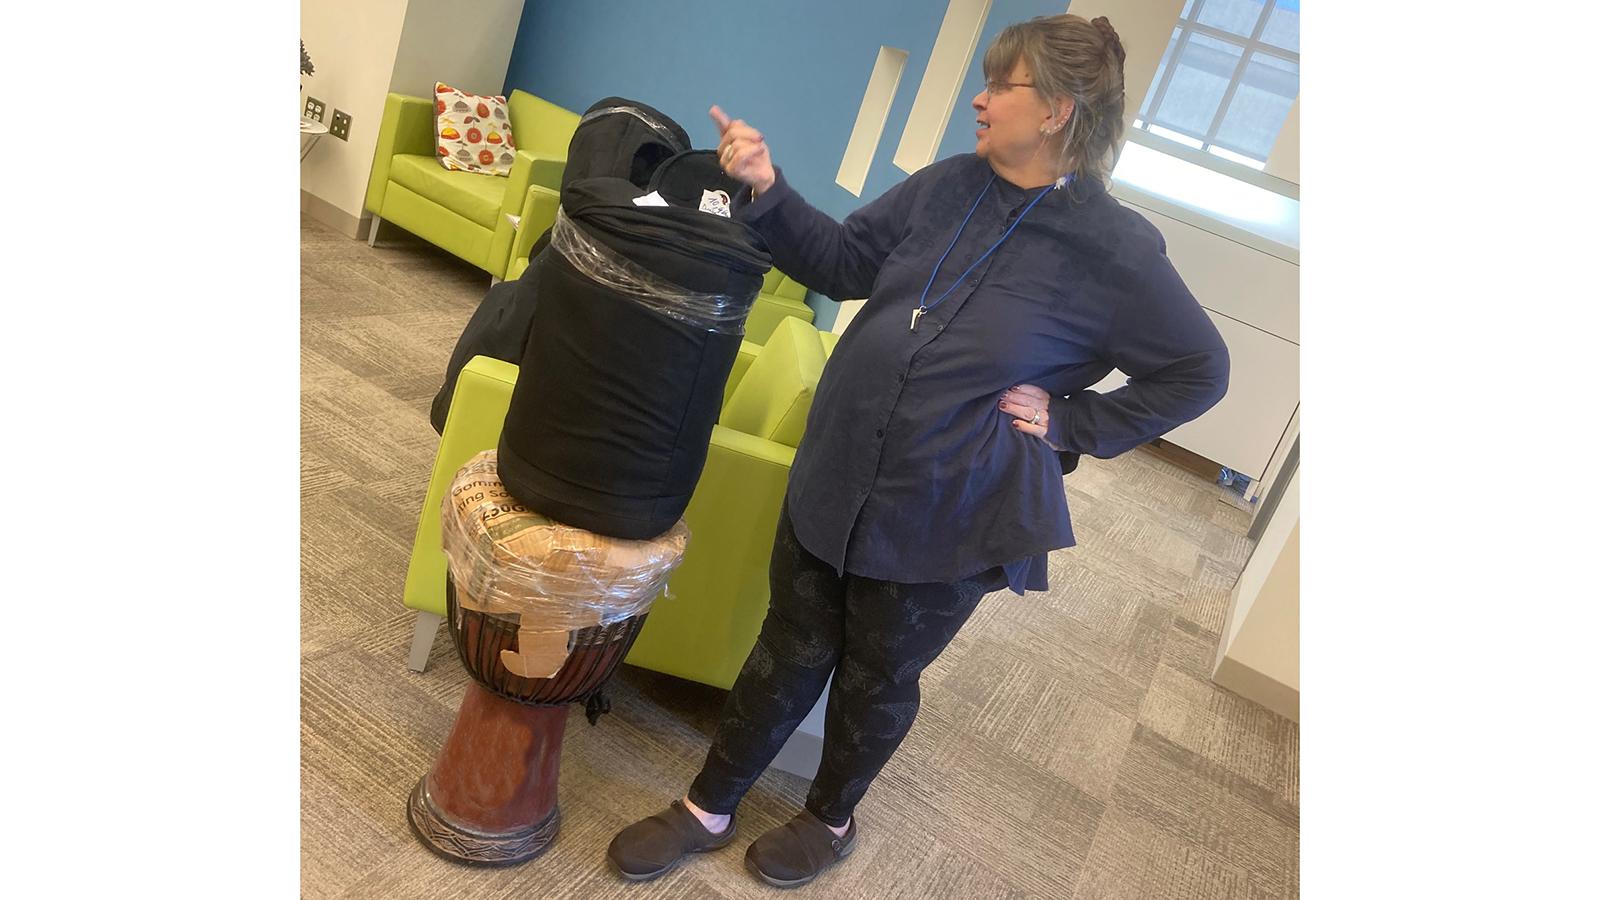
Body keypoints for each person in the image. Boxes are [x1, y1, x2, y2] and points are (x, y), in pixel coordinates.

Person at [607, 13, 1229, 888]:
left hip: (948, 510)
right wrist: (766, 187)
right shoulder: (948, 184)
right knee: (786, 647)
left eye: (999, 85)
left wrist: (1071, 423)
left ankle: (829, 820)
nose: (978, 99)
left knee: (876, 675)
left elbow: (1200, 370)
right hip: (840, 475)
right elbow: (845, 259)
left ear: (1055, 110)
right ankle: (709, 805)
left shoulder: (1115, 250)